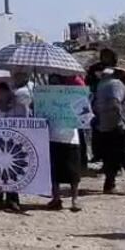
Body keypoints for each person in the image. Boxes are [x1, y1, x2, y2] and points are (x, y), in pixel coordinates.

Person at [92, 64, 125, 194]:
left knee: (112, 156)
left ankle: (114, 184)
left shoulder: (101, 85)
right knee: (124, 155)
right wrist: (123, 120)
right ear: (122, 74)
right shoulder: (117, 84)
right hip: (116, 124)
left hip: (104, 125)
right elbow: (115, 103)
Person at [0, 81, 29, 212]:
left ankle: (12, 199)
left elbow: (26, 123)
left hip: (14, 145)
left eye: (2, 92)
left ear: (9, 93)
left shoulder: (19, 107)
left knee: (11, 171)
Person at [46, 74, 87, 212]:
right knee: (54, 172)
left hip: (71, 137)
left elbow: (84, 114)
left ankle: (75, 200)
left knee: (73, 172)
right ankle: (56, 198)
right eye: (52, 82)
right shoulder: (46, 98)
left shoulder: (73, 96)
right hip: (52, 137)